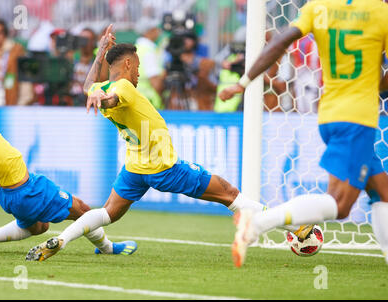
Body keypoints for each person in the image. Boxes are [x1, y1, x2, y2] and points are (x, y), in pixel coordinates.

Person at [26, 26, 313, 262]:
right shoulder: (123, 87)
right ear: (127, 64)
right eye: (137, 66)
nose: (138, 73)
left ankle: (61, 239)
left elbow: (91, 84)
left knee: (108, 213)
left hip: (135, 167)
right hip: (164, 167)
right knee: (229, 193)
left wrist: (101, 52)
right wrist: (107, 97)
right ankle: (295, 227)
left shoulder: (100, 88)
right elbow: (116, 96)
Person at [219, 0, 388, 266]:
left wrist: (243, 82)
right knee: (341, 204)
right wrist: (371, 83)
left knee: (382, 191)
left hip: (329, 113)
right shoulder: (380, 13)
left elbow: (278, 43)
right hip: (358, 118)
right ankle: (258, 222)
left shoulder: (318, 7)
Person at [0, 42, 137, 258]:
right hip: (26, 189)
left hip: (7, 194)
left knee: (39, 227)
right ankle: (108, 248)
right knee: (82, 210)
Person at [0, 18, 33, 106]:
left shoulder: (17, 50)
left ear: (4, 34)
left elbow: (26, 80)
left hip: (12, 98)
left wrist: (23, 103)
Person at [134, 17, 165, 110]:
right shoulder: (148, 51)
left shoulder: (136, 48)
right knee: (145, 125)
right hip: (149, 103)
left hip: (137, 100)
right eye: (155, 28)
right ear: (149, 31)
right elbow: (155, 81)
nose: (158, 31)